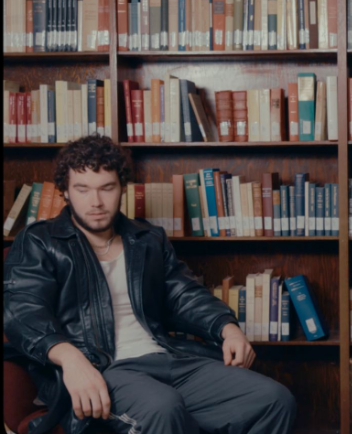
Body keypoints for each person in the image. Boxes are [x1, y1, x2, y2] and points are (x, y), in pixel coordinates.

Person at [3, 136, 297, 434]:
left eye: (107, 188)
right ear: (65, 191)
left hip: (166, 357)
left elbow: (184, 294)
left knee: (272, 399)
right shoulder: (40, 241)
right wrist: (70, 358)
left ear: (122, 189)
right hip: (101, 367)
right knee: (162, 407)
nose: (96, 202)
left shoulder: (146, 238)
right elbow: (23, 312)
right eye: (83, 189)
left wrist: (227, 327)